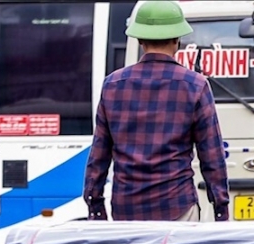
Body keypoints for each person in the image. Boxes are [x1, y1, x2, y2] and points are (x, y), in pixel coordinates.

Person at [83, 0, 229, 222]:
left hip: (126, 209)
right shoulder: (195, 85)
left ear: (140, 40)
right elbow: (212, 156)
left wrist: (95, 205)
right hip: (177, 206)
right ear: (177, 40)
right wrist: (220, 208)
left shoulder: (113, 85)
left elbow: (99, 155)